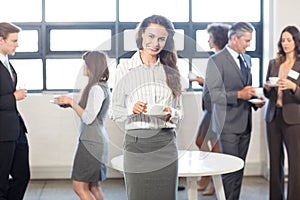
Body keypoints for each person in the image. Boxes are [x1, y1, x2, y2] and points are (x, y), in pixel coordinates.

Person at [110, 15, 183, 200]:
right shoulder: (124, 69)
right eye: (151, 36)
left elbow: (180, 112)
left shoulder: (171, 69)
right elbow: (113, 110)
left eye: (161, 39)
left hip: (166, 143)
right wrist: (131, 109)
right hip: (137, 145)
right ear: (142, 35)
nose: (155, 43)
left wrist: (171, 113)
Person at [203, 22, 265, 200]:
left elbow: (245, 90)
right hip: (227, 125)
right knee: (230, 173)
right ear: (234, 38)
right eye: (246, 41)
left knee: (239, 171)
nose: (249, 45)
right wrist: (239, 94)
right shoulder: (215, 60)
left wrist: (254, 101)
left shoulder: (246, 59)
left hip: (245, 123)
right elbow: (210, 95)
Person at [54, 51, 110, 200]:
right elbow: (89, 112)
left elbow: (88, 118)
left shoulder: (96, 89)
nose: (83, 67)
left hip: (91, 143)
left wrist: (71, 102)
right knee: (94, 186)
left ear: (92, 66)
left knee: (79, 186)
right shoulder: (99, 86)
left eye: (85, 63)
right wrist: (70, 104)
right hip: (95, 141)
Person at [190, 23, 230, 196]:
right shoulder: (215, 57)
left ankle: (214, 179)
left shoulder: (223, 59)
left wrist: (201, 80)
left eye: (210, 37)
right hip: (209, 108)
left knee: (211, 144)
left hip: (217, 109)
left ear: (217, 39)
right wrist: (200, 80)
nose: (208, 40)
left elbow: (221, 85)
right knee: (202, 141)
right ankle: (208, 177)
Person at [263, 25, 300, 200]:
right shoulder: (274, 63)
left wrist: (294, 87)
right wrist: (267, 88)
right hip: (273, 116)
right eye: (283, 40)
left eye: (289, 40)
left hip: (294, 119)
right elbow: (268, 94)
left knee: (295, 163)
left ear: (296, 41)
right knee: (274, 161)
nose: (285, 43)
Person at [0, 22, 30, 200]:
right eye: (14, 41)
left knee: (22, 176)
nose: (17, 44)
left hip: (16, 130)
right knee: (1, 181)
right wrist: (13, 97)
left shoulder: (7, 63)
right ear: (1, 40)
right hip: (2, 133)